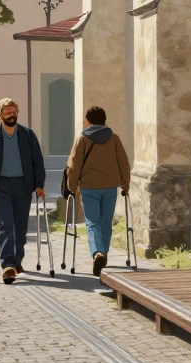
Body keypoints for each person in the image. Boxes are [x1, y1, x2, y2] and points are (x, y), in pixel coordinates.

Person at [0, 98, 46, 285]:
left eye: (13, 112)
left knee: (21, 228)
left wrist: (39, 184)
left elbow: (37, 162)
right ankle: (7, 264)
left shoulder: (28, 135)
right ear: (0, 116)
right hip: (1, 187)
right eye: (7, 112)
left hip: (23, 186)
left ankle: (17, 261)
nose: (11, 115)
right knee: (5, 224)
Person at [65, 106, 131, 277]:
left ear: (88, 120)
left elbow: (73, 165)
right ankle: (103, 254)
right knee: (105, 223)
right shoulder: (114, 139)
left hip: (89, 187)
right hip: (110, 187)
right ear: (104, 119)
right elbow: (123, 162)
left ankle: (98, 253)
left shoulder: (82, 139)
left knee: (92, 223)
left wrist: (71, 187)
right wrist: (125, 184)